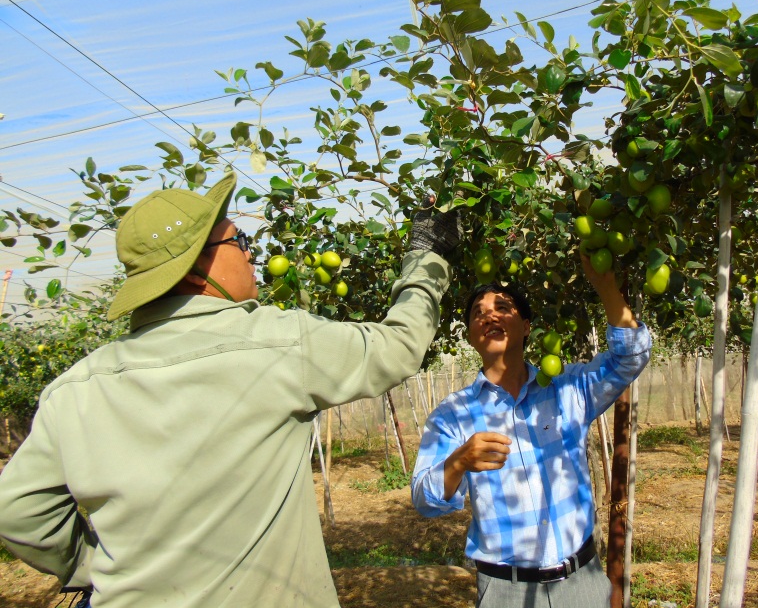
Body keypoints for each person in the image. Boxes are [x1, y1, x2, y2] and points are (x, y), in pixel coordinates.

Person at [0, 171, 460, 608]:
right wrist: (427, 256)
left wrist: (91, 566)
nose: (251, 254)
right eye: (239, 241)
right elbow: (397, 347)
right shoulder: (279, 344)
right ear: (200, 264)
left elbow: (18, 512)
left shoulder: (75, 389)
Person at [411, 255, 651, 607]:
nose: (489, 315)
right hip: (505, 591)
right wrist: (458, 462)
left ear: (526, 326)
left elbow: (630, 358)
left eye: (502, 307)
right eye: (478, 313)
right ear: (470, 337)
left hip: (581, 582)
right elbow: (424, 498)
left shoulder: (566, 390)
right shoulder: (453, 414)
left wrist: (607, 288)